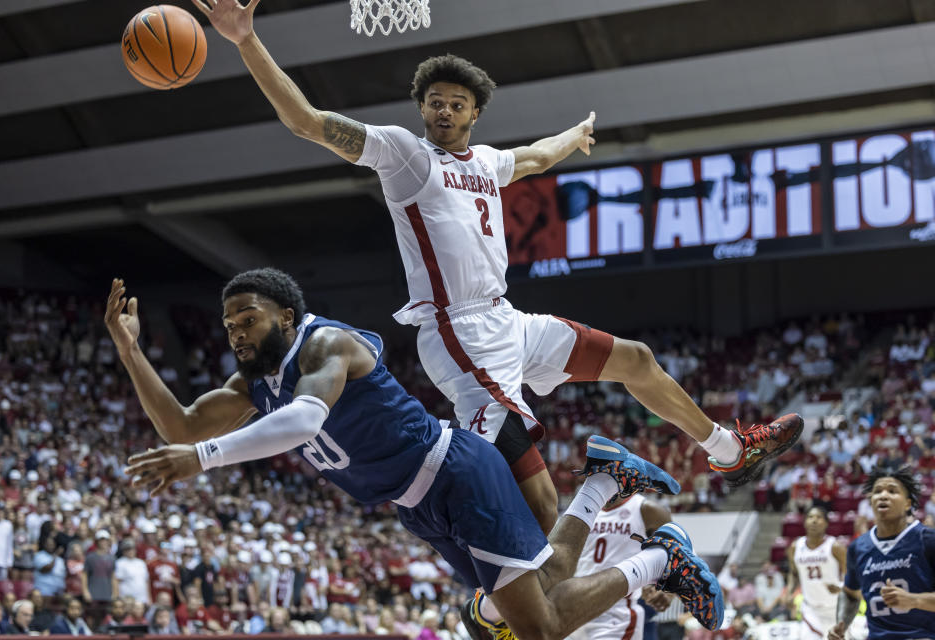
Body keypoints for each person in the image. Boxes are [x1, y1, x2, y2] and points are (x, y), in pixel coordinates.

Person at [187, 0, 804, 540]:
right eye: (435, 104)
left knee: (636, 359)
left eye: (456, 104)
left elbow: (533, 157)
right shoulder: (405, 155)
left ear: (474, 113)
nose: (445, 112)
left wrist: (576, 135)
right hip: (459, 334)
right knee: (538, 503)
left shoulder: (483, 160)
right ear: (423, 110)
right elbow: (309, 123)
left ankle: (725, 450)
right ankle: (507, 594)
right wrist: (246, 40)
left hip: (508, 319)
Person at [108, 271, 723, 640]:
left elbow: (304, 420)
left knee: (536, 630)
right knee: (545, 587)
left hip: (453, 474)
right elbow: (180, 423)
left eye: (248, 318)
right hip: (416, 503)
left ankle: (656, 560)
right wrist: (131, 351)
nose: (236, 331)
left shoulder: (328, 344)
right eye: (228, 324)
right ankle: (600, 483)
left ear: (285, 317)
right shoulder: (253, 385)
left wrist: (204, 457)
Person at [828, 465, 935, 640]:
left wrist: (913, 600)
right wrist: (841, 624)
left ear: (908, 503)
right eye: (877, 491)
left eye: (892, 491)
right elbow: (850, 593)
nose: (883, 496)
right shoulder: (858, 547)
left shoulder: (928, 539)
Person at [567, 493, 675, 640]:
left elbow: (680, 556)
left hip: (616, 614)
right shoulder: (580, 505)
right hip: (573, 610)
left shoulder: (647, 509)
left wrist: (668, 590)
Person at [785, 506, 846, 639]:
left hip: (835, 609)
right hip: (811, 609)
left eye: (818, 517)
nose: (814, 521)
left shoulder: (835, 546)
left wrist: (841, 587)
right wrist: (789, 593)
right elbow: (794, 573)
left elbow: (851, 574)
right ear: (805, 522)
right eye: (810, 517)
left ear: (826, 523)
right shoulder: (796, 547)